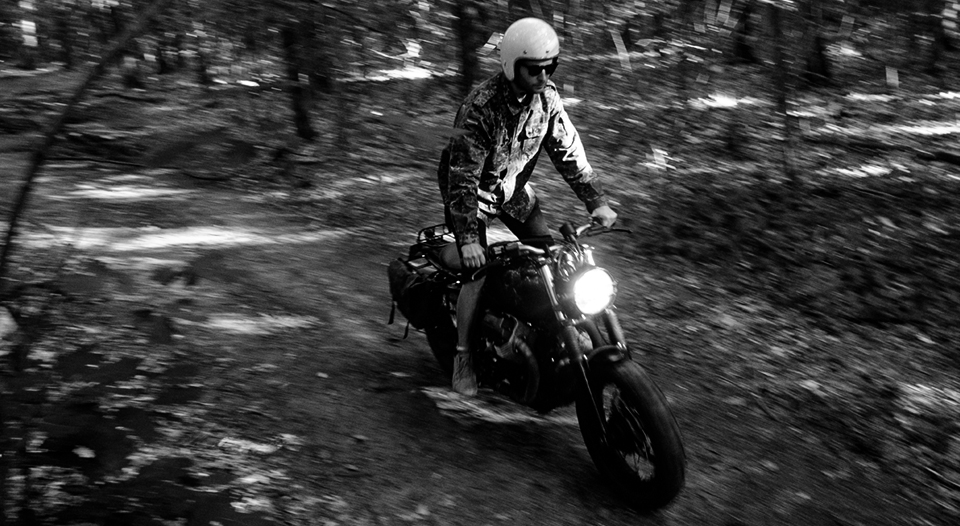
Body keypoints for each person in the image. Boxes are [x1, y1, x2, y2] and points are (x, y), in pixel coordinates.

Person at [437, 17, 617, 396]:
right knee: (478, 271)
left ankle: (551, 335)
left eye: (551, 67)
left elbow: (568, 150)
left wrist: (596, 201)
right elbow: (462, 178)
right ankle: (463, 356)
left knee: (551, 257)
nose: (543, 76)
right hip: (471, 196)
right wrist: (468, 239)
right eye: (534, 69)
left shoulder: (547, 98)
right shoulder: (480, 107)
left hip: (515, 191)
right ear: (512, 64)